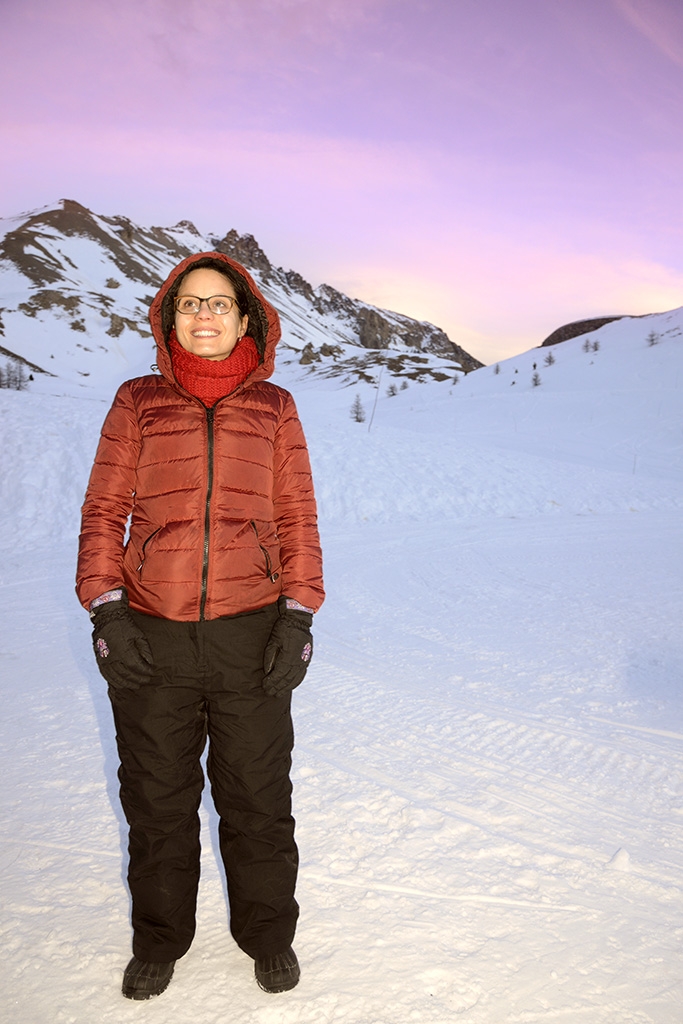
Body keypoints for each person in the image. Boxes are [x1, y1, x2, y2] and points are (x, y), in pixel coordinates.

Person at [76, 251, 324, 1000]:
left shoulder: (274, 407)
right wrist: (106, 607)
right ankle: (159, 938)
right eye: (189, 303)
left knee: (256, 799)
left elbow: (295, 517)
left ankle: (267, 935)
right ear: (169, 317)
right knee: (156, 801)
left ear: (246, 318)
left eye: (219, 303)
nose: (204, 315)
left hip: (250, 634)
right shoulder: (137, 400)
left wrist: (299, 612)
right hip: (151, 631)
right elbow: (102, 511)